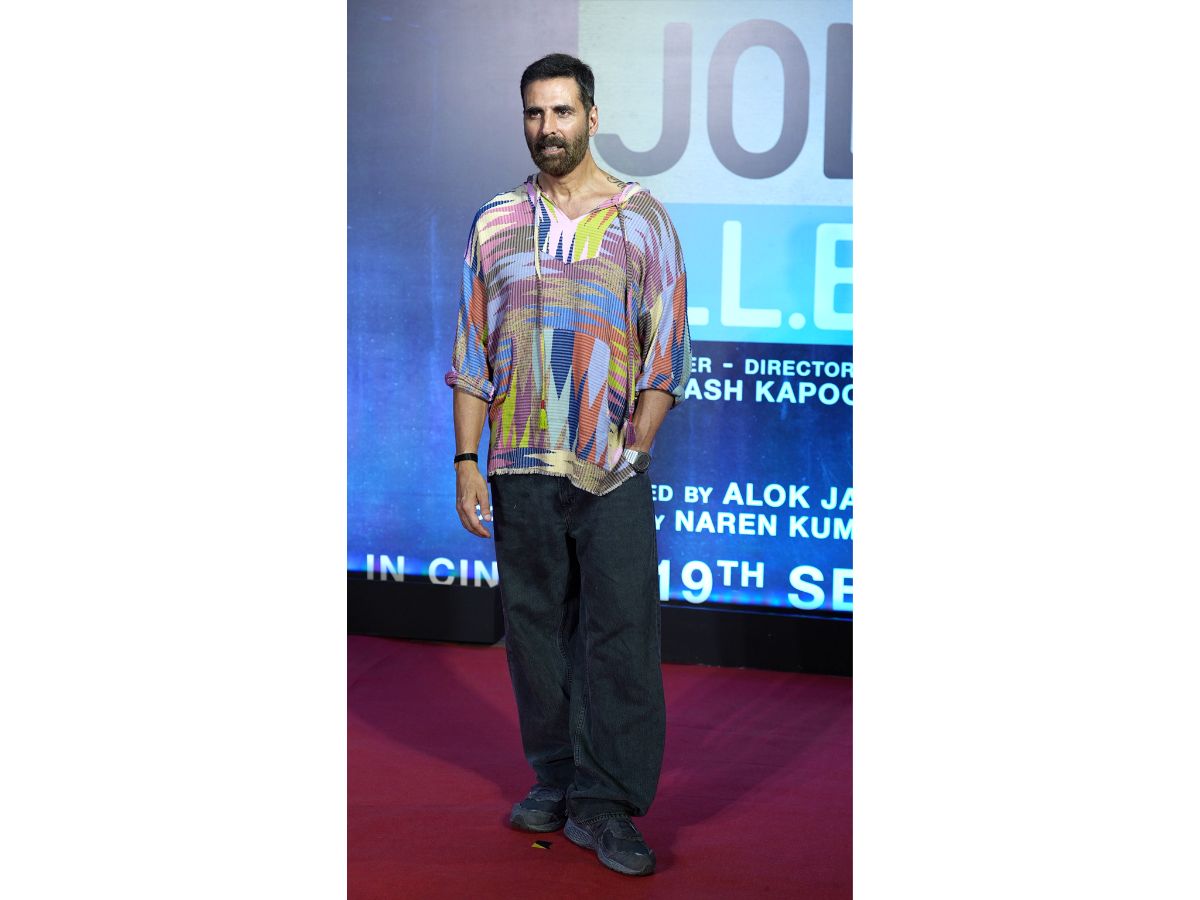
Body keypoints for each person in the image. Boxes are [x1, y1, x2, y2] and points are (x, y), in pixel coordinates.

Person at [444, 53, 691, 877]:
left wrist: (635, 447)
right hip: (517, 465)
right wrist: (466, 461)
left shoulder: (640, 219)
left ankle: (607, 804)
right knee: (537, 636)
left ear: (592, 115)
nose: (547, 128)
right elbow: (471, 353)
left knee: (620, 634)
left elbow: (667, 351)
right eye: (534, 113)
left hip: (607, 470)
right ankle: (555, 777)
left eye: (561, 111)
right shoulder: (494, 222)